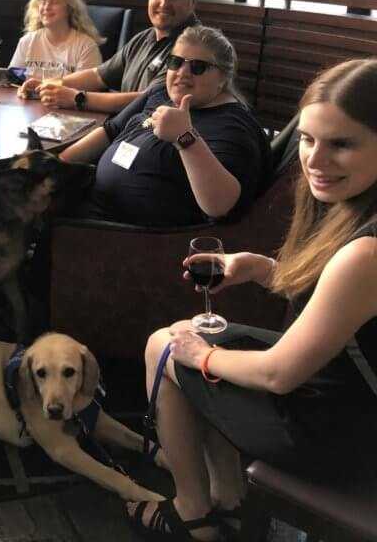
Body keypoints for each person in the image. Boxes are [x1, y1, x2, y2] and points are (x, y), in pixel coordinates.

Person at [129, 58, 377, 541]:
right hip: (342, 397)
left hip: (340, 437)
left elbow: (278, 374)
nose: (316, 160)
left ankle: (192, 513)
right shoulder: (355, 209)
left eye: (342, 144)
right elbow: (334, 303)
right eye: (307, 139)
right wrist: (261, 268)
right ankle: (227, 498)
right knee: (194, 338)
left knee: (170, 347)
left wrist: (203, 357)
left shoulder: (366, 253)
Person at [60, 25, 268, 227]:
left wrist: (185, 138)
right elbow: (110, 131)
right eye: (175, 62)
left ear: (222, 79)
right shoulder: (160, 92)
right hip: (91, 200)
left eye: (197, 67)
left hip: (126, 235)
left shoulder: (234, 126)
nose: (182, 73)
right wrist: (60, 163)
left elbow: (221, 206)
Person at [20, 0, 202, 113]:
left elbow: (148, 100)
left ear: (192, 2)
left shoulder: (194, 47)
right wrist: (47, 84)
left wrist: (78, 99)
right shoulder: (143, 38)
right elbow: (97, 75)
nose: (163, 3)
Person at [8, 0, 104, 73]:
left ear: (69, 8)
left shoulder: (86, 46)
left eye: (55, 1)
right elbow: (12, 81)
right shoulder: (27, 42)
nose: (47, 7)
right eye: (43, 1)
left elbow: (88, 84)